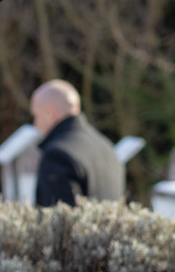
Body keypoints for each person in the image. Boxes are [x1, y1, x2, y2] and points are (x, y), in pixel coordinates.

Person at [29, 79, 126, 207]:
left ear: (50, 113)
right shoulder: (107, 148)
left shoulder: (57, 156)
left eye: (36, 116)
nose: (35, 124)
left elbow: (59, 217)